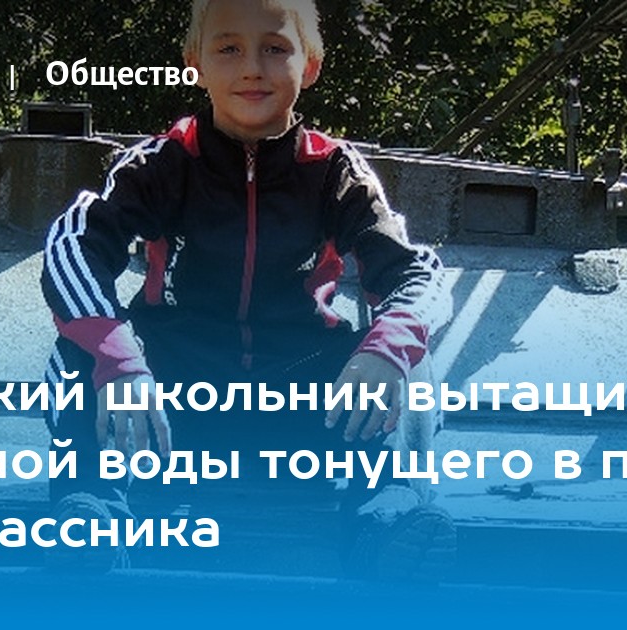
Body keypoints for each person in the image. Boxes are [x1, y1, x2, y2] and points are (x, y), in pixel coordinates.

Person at [40, 0, 454, 580]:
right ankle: (92, 514)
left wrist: (385, 351)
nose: (252, 68)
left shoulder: (335, 171)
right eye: (228, 48)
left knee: (405, 358)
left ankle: (387, 519)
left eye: (276, 48)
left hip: (301, 403)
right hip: (172, 403)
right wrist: (122, 362)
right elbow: (72, 246)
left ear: (310, 65)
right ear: (196, 64)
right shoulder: (160, 164)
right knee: (80, 349)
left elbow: (419, 273)